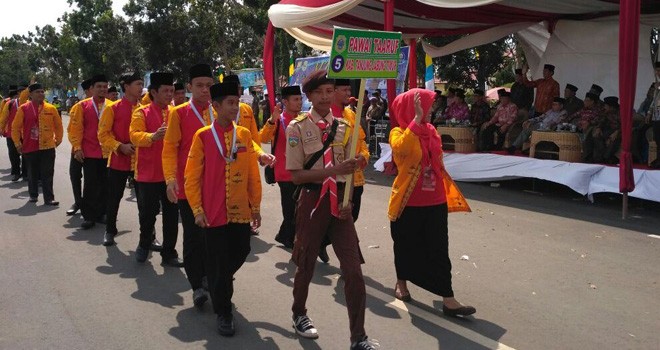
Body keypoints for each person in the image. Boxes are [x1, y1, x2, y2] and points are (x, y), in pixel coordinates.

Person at [285, 70, 374, 350]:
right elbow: (296, 176)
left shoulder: (346, 127)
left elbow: (348, 169)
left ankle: (358, 337)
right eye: (319, 92)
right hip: (312, 203)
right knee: (306, 264)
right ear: (309, 95)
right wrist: (332, 170)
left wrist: (357, 162)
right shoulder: (297, 128)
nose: (325, 97)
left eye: (329, 91)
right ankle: (299, 313)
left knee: (354, 272)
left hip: (340, 205)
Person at [388, 88, 476, 317]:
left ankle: (448, 299)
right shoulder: (398, 133)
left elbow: (438, 160)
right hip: (408, 201)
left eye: (426, 107)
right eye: (424, 107)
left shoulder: (432, 131)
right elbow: (402, 151)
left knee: (439, 249)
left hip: (435, 199)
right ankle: (402, 284)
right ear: (410, 109)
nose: (428, 111)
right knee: (405, 245)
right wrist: (415, 121)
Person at [184, 81, 262, 336]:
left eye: (237, 102)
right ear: (215, 106)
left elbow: (252, 173)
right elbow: (192, 176)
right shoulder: (203, 136)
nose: (235, 107)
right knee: (218, 261)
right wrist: (196, 209)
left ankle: (216, 279)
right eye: (229, 103)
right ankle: (224, 313)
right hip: (213, 211)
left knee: (242, 249)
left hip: (239, 209)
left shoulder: (244, 135)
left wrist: (256, 206)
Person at [162, 63, 216, 306]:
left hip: (217, 186)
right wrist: (171, 179)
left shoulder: (220, 110)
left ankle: (213, 276)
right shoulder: (179, 113)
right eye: (200, 86)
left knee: (215, 238)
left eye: (208, 85)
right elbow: (170, 148)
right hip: (189, 187)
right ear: (189, 87)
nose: (205, 90)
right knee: (194, 237)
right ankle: (198, 284)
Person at [130, 72, 182, 267]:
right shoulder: (141, 112)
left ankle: (169, 252)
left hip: (170, 175)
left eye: (172, 90)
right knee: (147, 214)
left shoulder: (176, 112)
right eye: (165, 91)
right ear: (153, 92)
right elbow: (134, 136)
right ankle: (144, 244)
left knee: (171, 215)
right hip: (147, 174)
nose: (170, 94)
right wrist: (152, 137)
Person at [98, 72, 143, 246]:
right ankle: (110, 230)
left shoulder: (145, 108)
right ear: (126, 86)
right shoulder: (113, 108)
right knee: (114, 198)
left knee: (145, 203)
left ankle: (149, 234)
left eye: (141, 84)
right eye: (138, 84)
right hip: (119, 160)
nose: (141, 87)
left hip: (142, 161)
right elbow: (103, 135)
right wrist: (119, 146)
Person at [259, 85, 302, 249]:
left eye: (300, 99)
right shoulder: (279, 120)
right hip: (284, 172)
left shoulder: (303, 119)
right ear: (285, 102)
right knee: (290, 208)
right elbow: (263, 138)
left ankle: (285, 235)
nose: (299, 103)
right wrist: (272, 120)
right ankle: (289, 238)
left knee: (299, 208)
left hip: (302, 171)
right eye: (295, 100)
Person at [69, 75, 111, 229]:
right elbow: (75, 129)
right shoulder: (82, 106)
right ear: (92, 89)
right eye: (99, 86)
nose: (102, 89)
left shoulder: (113, 105)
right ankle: (89, 216)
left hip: (108, 153)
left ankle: (102, 213)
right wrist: (77, 148)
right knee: (90, 185)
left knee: (106, 185)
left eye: (105, 86)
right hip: (90, 152)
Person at [11, 83, 63, 205]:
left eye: (42, 91)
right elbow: (15, 127)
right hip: (30, 146)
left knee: (48, 173)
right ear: (31, 94)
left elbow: (58, 126)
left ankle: (49, 198)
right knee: (32, 172)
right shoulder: (23, 108)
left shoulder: (51, 108)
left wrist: (58, 140)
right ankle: (33, 195)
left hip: (48, 146)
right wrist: (18, 144)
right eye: (37, 92)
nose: (41, 94)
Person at [65, 78, 92, 216]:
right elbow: (72, 130)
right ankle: (78, 202)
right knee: (75, 176)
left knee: (93, 180)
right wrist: (77, 147)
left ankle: (91, 206)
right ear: (88, 91)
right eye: (96, 87)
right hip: (78, 150)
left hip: (97, 151)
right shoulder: (79, 107)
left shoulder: (108, 106)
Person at [583, 96, 620, 164]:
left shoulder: (621, 112)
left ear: (611, 107)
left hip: (618, 131)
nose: (604, 107)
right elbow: (602, 120)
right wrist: (598, 128)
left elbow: (625, 125)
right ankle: (592, 156)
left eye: (606, 106)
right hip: (608, 129)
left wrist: (617, 132)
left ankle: (606, 158)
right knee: (595, 134)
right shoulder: (605, 112)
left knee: (613, 139)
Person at [0, 88, 24, 181]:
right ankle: (16, 172)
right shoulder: (9, 103)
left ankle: (26, 174)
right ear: (18, 93)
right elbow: (3, 116)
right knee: (14, 154)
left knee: (27, 154)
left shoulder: (30, 103)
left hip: (26, 134)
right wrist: (1, 128)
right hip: (11, 133)